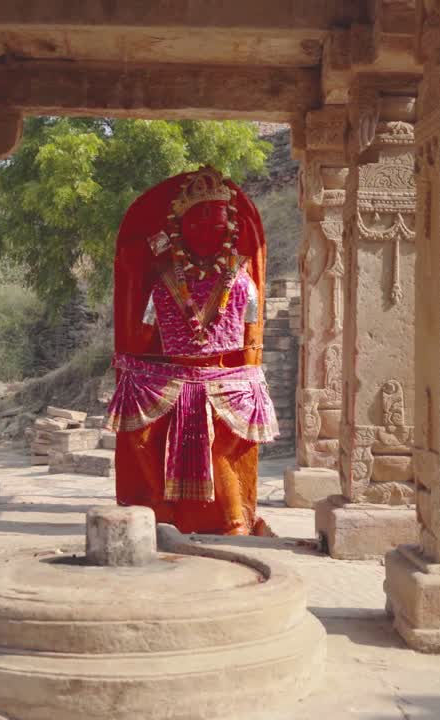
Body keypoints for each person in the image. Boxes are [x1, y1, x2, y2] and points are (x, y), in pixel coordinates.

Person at [106, 166, 278, 536]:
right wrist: (135, 280)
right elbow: (139, 343)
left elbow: (251, 345)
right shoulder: (165, 284)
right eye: (197, 226)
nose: (206, 235)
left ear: (229, 230)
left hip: (224, 383)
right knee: (139, 435)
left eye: (216, 228)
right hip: (171, 377)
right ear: (180, 229)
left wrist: (250, 384)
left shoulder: (242, 283)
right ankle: (160, 504)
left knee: (220, 454)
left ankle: (234, 520)